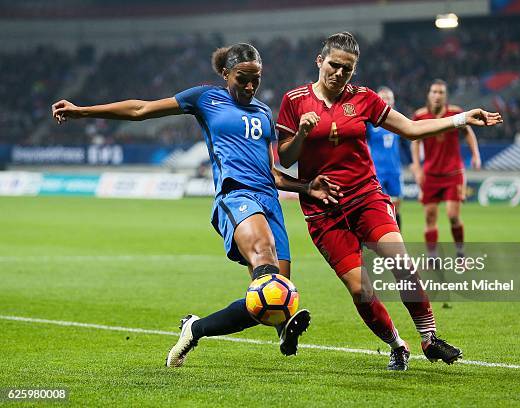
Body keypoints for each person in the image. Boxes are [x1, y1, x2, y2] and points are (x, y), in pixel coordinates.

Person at [51, 43, 342, 367]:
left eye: (255, 80)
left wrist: (306, 187)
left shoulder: (262, 113)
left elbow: (270, 172)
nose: (249, 87)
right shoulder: (205, 98)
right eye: (242, 78)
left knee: (275, 300)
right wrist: (82, 111)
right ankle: (277, 323)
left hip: (268, 200)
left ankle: (196, 328)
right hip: (236, 196)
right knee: (265, 258)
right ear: (224, 73)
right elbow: (141, 110)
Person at [276, 32, 502, 371]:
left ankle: (429, 337)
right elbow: (285, 155)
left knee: (401, 263)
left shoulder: (364, 98)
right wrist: (303, 133)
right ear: (319, 61)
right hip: (324, 211)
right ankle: (397, 344)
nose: (339, 74)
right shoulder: (294, 101)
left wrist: (460, 118)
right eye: (334, 65)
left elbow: (410, 128)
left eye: (347, 69)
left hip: (366, 196)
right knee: (360, 290)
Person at [411, 79, 482, 259]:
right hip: (430, 174)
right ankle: (432, 257)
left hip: (453, 173)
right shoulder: (420, 116)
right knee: (430, 218)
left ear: (445, 96)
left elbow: (468, 133)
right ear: (429, 94)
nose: (437, 95)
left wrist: (476, 155)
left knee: (452, 215)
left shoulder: (455, 113)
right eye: (434, 92)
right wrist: (417, 168)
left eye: (441, 92)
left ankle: (460, 254)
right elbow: (415, 141)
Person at [366, 87, 404, 230]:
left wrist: (413, 164)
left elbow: (406, 145)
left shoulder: (399, 121)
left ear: (393, 102)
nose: (386, 101)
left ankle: (397, 238)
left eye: (389, 98)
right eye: (383, 98)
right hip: (377, 172)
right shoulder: (370, 123)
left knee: (396, 208)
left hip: (394, 171)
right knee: (377, 208)